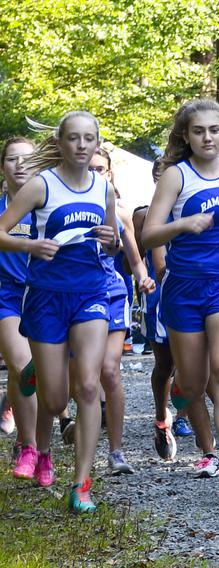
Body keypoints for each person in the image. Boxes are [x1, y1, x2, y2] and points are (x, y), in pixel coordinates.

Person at [142, 99, 219, 496]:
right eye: (199, 131)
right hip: (183, 290)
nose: (208, 137)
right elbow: (148, 235)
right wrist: (183, 224)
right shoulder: (176, 177)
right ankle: (202, 440)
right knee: (191, 385)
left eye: (214, 130)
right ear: (186, 135)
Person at [0, 111, 119, 512]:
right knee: (53, 401)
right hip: (47, 296)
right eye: (73, 138)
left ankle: (81, 485)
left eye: (89, 139)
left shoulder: (103, 188)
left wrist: (112, 239)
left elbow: (112, 242)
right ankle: (35, 369)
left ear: (97, 143)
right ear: (61, 142)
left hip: (91, 293)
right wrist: (30, 246)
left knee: (87, 385)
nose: (81, 146)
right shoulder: (40, 185)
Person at [89, 148, 156, 473]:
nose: (96, 173)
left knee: (110, 370)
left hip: (113, 293)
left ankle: (116, 452)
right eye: (90, 168)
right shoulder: (59, 202)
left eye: (101, 168)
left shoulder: (122, 212)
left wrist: (143, 278)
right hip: (73, 296)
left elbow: (135, 258)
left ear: (110, 173)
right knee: (79, 378)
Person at [0, 137, 40, 480]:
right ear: (3, 167)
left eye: (27, 159)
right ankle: (30, 447)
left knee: (37, 376)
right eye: (12, 159)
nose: (20, 165)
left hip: (45, 296)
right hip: (6, 296)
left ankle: (15, 410)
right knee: (24, 366)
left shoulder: (49, 204)